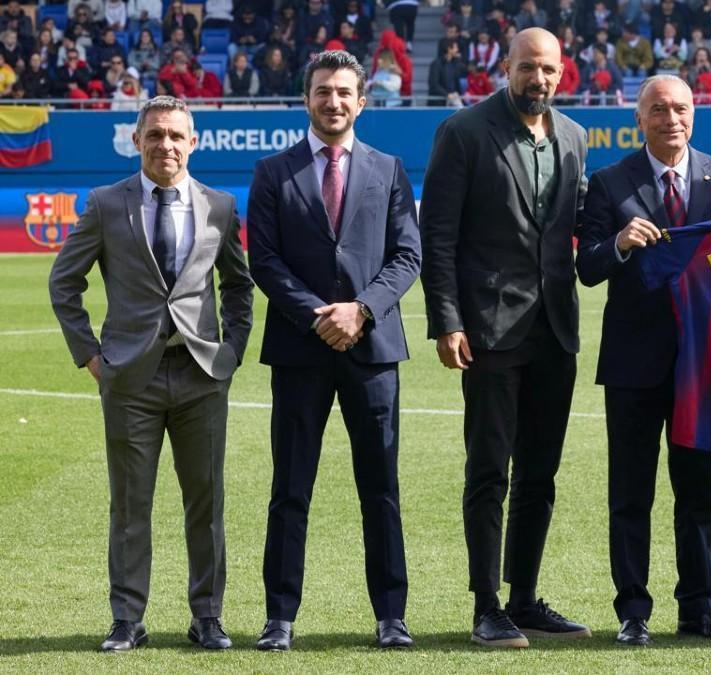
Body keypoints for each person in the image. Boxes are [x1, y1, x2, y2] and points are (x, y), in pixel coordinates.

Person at [48, 95, 254, 653]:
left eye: (175, 136)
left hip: (201, 376)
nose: (166, 144)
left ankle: (207, 618)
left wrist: (230, 350)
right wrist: (91, 356)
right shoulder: (105, 203)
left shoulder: (219, 206)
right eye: (155, 135)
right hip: (129, 380)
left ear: (194, 143)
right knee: (130, 504)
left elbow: (238, 286)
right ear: (136, 141)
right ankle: (126, 620)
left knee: (206, 503)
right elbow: (64, 283)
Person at [247, 50, 422, 652]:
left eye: (344, 92)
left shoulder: (389, 169)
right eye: (323, 91)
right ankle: (280, 617)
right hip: (301, 350)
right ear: (307, 98)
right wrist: (319, 315)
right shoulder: (273, 172)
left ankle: (392, 617)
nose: (334, 102)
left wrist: (361, 310)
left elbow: (407, 256)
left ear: (362, 100)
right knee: (290, 487)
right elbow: (263, 260)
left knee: (381, 487)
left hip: (372, 350)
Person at [420, 27, 590, 649]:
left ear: (562, 71)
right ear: (506, 66)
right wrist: (447, 320)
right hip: (488, 330)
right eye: (527, 68)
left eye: (548, 70)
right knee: (489, 469)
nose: (537, 79)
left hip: (555, 328)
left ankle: (524, 597)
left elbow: (575, 225)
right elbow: (437, 234)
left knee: (540, 473)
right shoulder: (465, 131)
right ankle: (486, 606)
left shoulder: (573, 136)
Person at [576, 74, 711, 648]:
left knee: (699, 492)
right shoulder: (607, 183)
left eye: (679, 108)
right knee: (631, 493)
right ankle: (632, 611)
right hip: (633, 364)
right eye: (657, 109)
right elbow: (589, 268)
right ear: (639, 118)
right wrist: (621, 242)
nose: (670, 118)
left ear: (694, 113)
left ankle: (699, 608)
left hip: (705, 366)